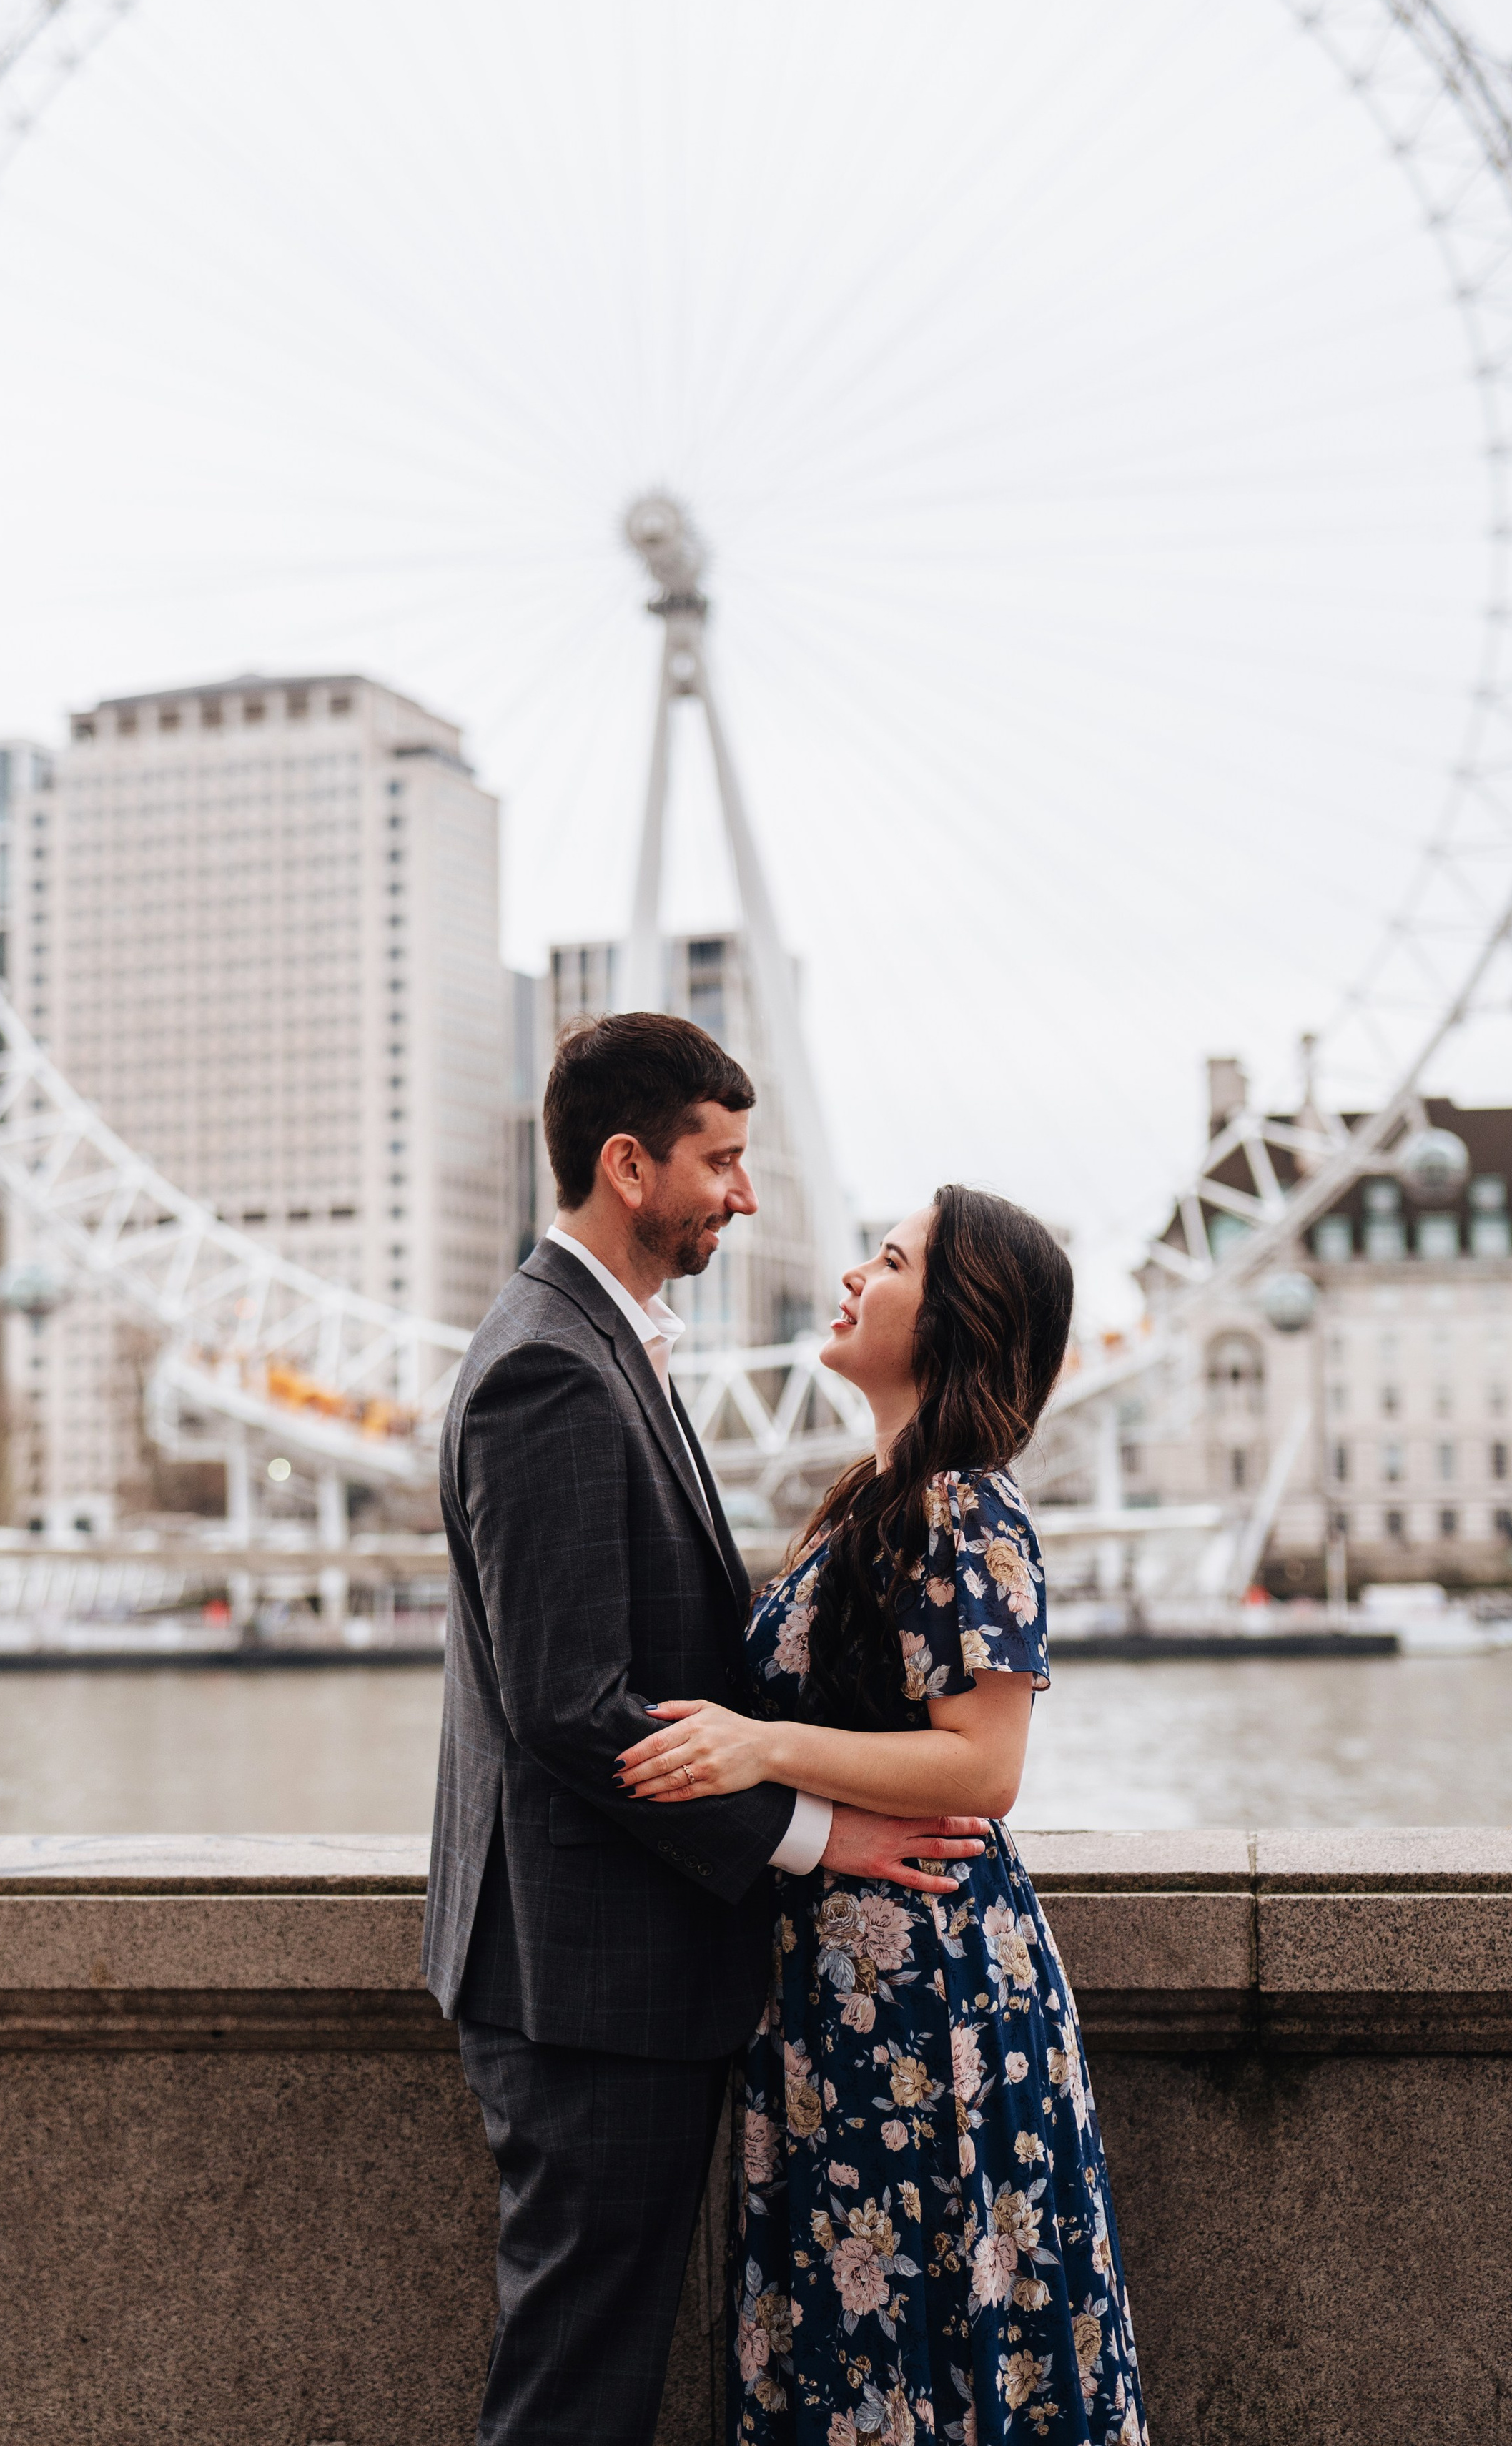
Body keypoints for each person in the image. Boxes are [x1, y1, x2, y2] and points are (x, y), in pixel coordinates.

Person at [423, 1014, 987, 2446]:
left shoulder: (596, 1347)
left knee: (595, 2365)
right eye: (719, 1161)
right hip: (583, 1982)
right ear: (627, 1165)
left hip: (605, 1965)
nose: (742, 1195)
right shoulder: (549, 1369)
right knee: (578, 2386)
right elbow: (569, 1700)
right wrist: (813, 1831)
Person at [616, 1185, 1149, 2446]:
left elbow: (984, 1769)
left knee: (921, 2339)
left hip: (929, 2000)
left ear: (953, 1317)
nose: (857, 1271)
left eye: (895, 1257)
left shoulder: (972, 1505)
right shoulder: (874, 1498)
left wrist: (761, 1747)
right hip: (842, 1994)